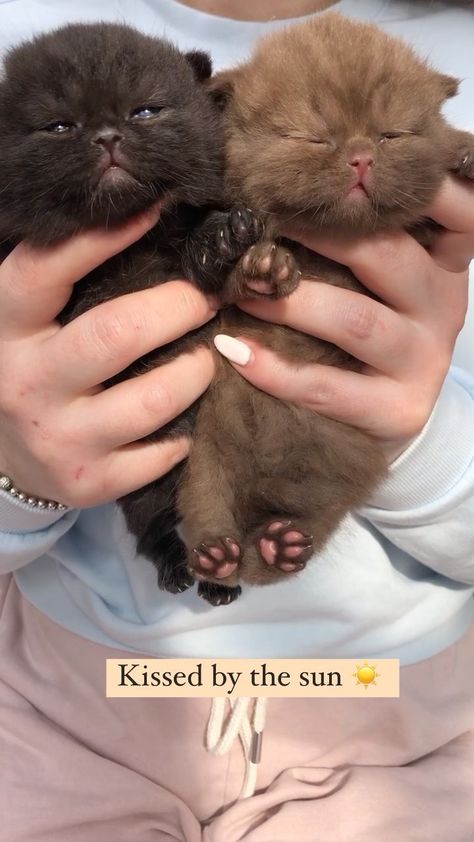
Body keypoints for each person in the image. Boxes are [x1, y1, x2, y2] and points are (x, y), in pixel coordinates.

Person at [0, 0, 473, 839]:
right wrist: (15, 480)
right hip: (72, 700)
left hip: (393, 712)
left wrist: (411, 430)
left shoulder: (445, 98)